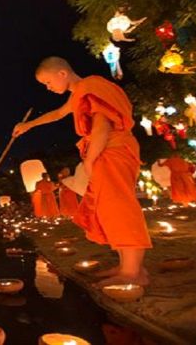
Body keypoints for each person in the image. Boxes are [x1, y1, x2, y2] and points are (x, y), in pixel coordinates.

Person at [14, 56, 151, 286]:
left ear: (62, 74)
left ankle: (133, 272)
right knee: (109, 209)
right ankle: (127, 266)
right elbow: (58, 113)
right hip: (104, 152)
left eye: (48, 82)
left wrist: (91, 159)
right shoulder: (79, 94)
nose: (48, 88)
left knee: (119, 206)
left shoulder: (92, 85)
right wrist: (28, 126)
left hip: (111, 150)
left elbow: (102, 124)